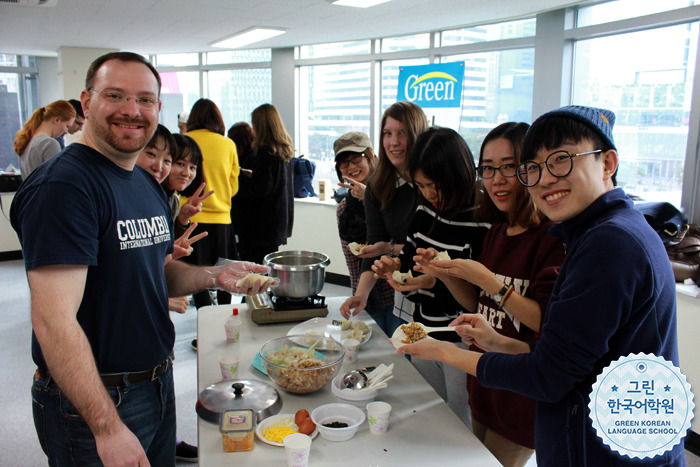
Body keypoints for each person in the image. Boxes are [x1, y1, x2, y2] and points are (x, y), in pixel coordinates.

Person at [10, 51, 273, 466]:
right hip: (95, 400)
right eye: (115, 95)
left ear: (158, 109)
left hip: (155, 381)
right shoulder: (65, 186)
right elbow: (52, 321)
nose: (132, 110)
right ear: (86, 101)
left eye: (146, 100)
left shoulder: (144, 183)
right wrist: (107, 427)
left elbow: (156, 272)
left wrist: (214, 276)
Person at [399, 105, 684, 466]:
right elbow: (571, 355)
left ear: (608, 163)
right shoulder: (594, 234)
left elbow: (550, 375)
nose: (546, 179)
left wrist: (443, 351)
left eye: (562, 159)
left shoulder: (610, 241)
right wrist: (497, 341)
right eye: (534, 168)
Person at [412, 123, 565, 466]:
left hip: (521, 397)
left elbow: (545, 322)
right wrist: (444, 274)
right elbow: (475, 304)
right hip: (483, 384)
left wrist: (493, 283)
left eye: (509, 166)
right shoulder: (498, 231)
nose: (497, 179)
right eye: (489, 168)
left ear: (531, 168)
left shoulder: (552, 237)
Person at [371, 126, 490, 428]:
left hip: (462, 342)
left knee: (462, 421)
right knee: (429, 412)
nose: (428, 194)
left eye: (434, 185)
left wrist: (434, 280)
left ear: (459, 173)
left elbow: (480, 300)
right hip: (423, 330)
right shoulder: (424, 210)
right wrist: (399, 273)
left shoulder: (483, 218)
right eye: (421, 186)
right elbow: (412, 265)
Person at [340, 101, 428, 335]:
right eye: (388, 134)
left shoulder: (431, 184)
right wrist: (361, 295)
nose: (394, 142)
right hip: (403, 296)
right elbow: (375, 244)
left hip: (437, 293)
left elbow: (434, 251)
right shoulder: (378, 187)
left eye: (402, 133)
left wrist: (390, 248)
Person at [333, 131, 394, 336]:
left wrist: (369, 198)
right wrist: (358, 293)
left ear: (371, 156)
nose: (351, 166)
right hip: (365, 297)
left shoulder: (393, 194)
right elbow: (353, 261)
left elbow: (397, 241)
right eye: (344, 162)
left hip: (398, 296)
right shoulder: (343, 209)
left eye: (356, 158)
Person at [182, 98, 240, 313]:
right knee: (225, 274)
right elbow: (233, 186)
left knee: (196, 276)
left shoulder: (183, 140)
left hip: (190, 219)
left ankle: (205, 322)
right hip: (222, 220)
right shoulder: (228, 144)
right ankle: (224, 320)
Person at [237, 103, 295, 264]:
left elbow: (261, 189)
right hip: (279, 221)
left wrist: (239, 176)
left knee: (256, 267)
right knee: (268, 265)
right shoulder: (284, 150)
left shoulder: (265, 151)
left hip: (262, 225)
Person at [14, 99, 76, 179]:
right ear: (56, 120)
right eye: (67, 126)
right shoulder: (50, 143)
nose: (66, 131)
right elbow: (56, 180)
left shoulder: (26, 141)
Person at [228, 121, 256, 260]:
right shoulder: (252, 156)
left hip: (246, 217)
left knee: (246, 253)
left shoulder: (248, 159)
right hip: (249, 218)